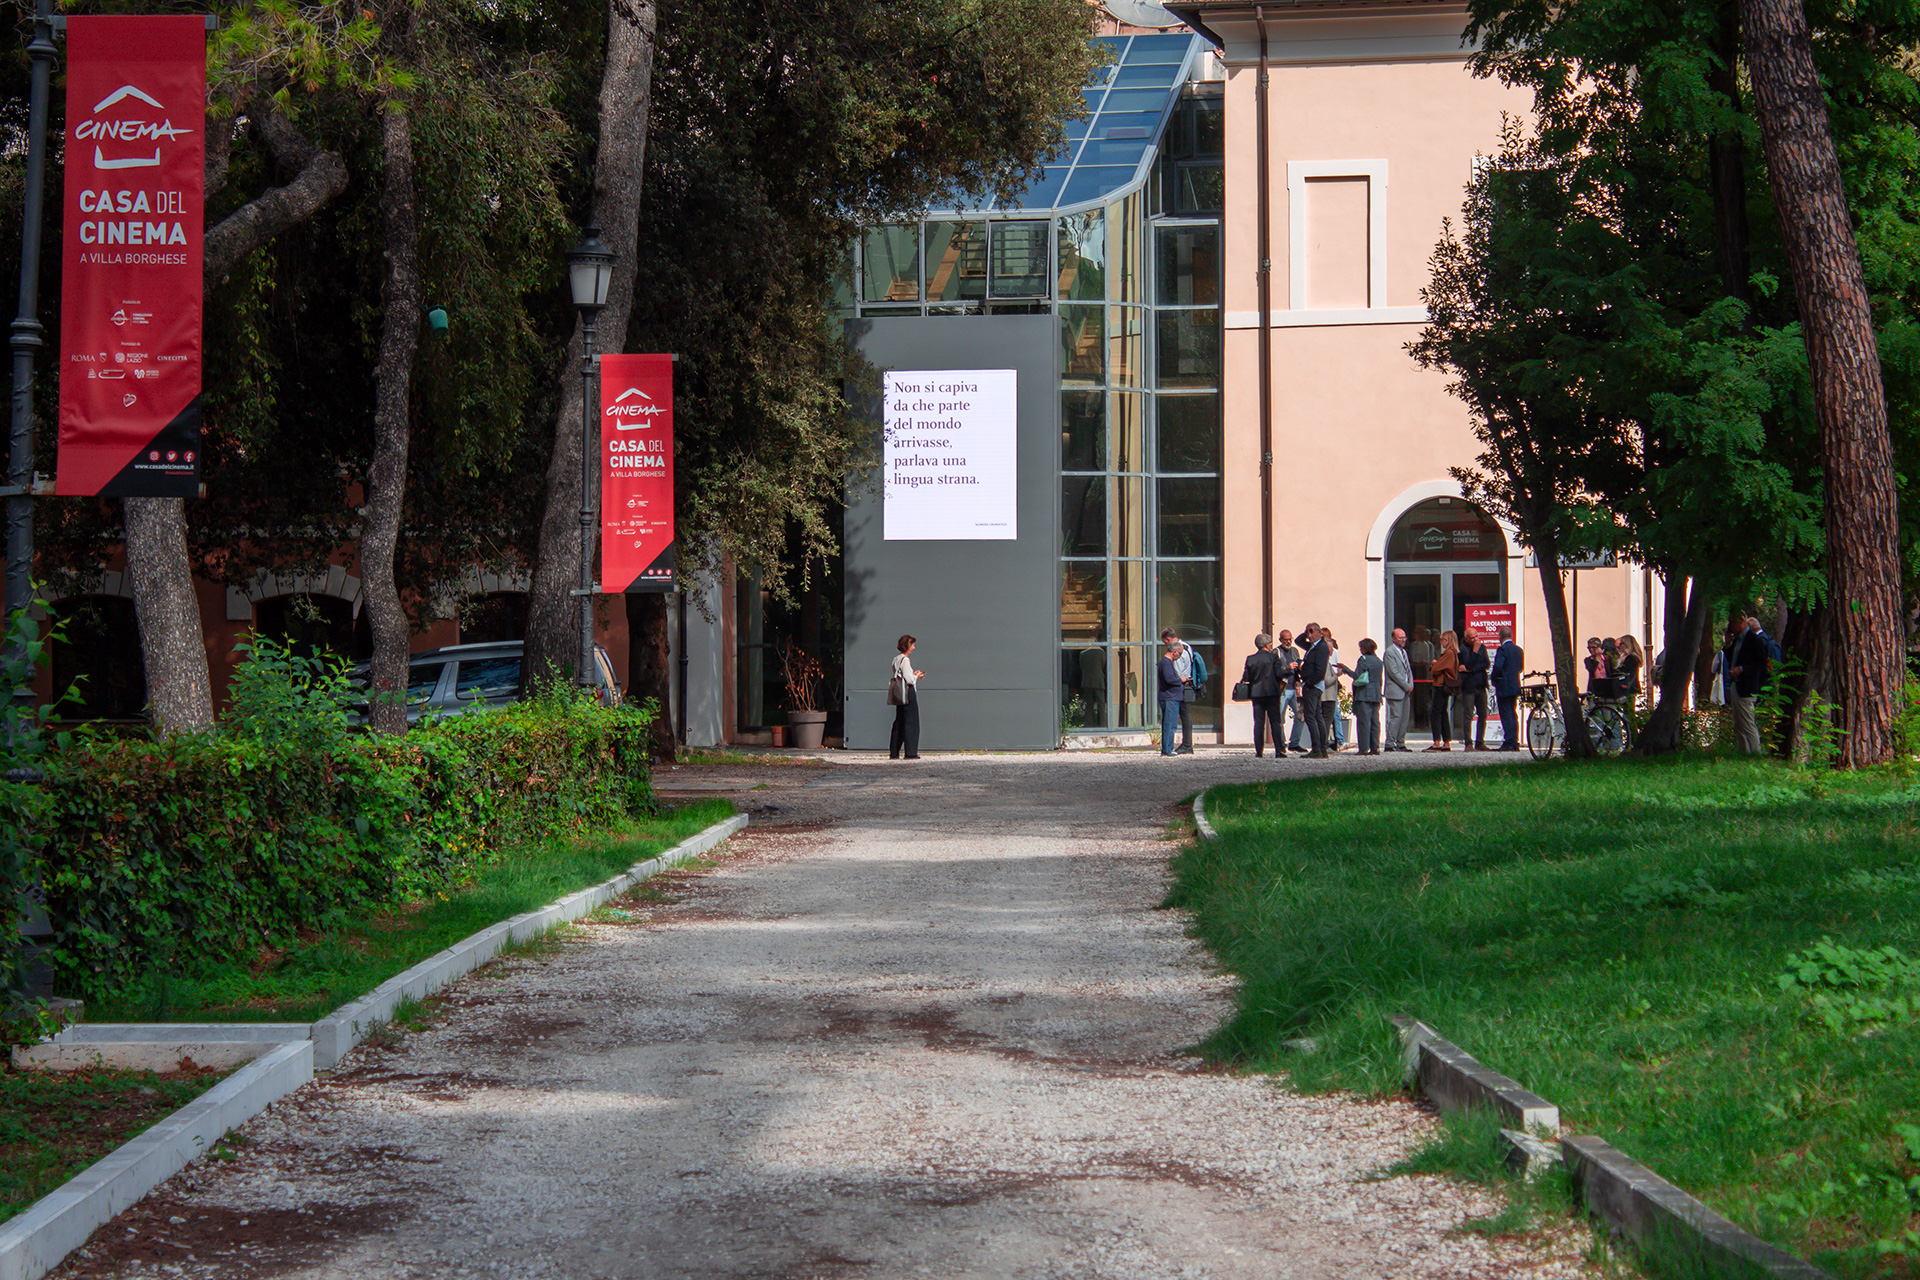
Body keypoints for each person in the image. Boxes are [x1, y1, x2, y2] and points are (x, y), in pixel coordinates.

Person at [1729, 615, 1770, 754]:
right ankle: (1744, 751)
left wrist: (1742, 669)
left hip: (1747, 687)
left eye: (1732, 622)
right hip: (1737, 684)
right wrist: (1727, 643)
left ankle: (1755, 751)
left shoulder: (1753, 640)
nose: (1730, 626)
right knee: (1738, 723)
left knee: (1747, 722)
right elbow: (1731, 657)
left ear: (1741, 622)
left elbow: (1760, 664)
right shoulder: (1736, 640)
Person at [1161, 627, 1205, 755]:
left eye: (1165, 642)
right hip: (1187, 685)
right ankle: (1187, 744)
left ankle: (1187, 744)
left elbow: (1178, 671)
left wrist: (1175, 678)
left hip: (1183, 686)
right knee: (1185, 715)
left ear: (1168, 640)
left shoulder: (1179, 649)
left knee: (1184, 715)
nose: (1165, 646)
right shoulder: (1187, 647)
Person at [1240, 633, 1284, 758]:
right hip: (1272, 693)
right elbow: (1279, 674)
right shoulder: (1273, 658)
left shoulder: (1251, 659)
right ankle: (1279, 750)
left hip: (1257, 693)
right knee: (1275, 722)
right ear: (1266, 645)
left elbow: (1246, 677)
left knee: (1259, 722)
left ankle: (1259, 751)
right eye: (1270, 644)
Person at [1294, 623, 1331, 758]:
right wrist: (1307, 632)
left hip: (1313, 686)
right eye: (1307, 632)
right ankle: (1321, 749)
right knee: (1317, 716)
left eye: (1311, 632)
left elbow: (1320, 671)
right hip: (1312, 685)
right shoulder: (1312, 646)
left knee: (1312, 717)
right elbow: (1298, 641)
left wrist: (1308, 684)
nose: (1309, 635)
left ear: (1319, 632)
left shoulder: (1321, 647)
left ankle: (1318, 748)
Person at [889, 635, 924, 760]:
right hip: (908, 693)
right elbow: (909, 679)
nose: (914, 648)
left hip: (899, 693)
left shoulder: (896, 659)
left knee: (899, 721)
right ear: (908, 646)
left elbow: (899, 675)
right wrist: (917, 676)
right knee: (911, 722)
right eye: (912, 645)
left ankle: (894, 752)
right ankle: (910, 752)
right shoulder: (905, 660)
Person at [1158, 634, 1193, 757]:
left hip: (1170, 697)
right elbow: (1169, 679)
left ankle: (1167, 748)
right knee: (1170, 724)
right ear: (1174, 652)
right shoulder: (1166, 663)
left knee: (1170, 724)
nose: (1180, 656)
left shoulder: (1166, 662)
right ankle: (1167, 749)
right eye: (1180, 653)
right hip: (1169, 697)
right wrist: (1181, 680)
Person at [1490, 625, 1524, 751]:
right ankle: (1515, 740)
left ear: (1500, 637)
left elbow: (1498, 666)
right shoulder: (1518, 650)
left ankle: (1509, 741)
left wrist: (1494, 678)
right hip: (1515, 685)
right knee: (1512, 712)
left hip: (1504, 686)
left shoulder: (1502, 650)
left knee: (1506, 714)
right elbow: (1520, 667)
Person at [1426, 630, 1460, 751]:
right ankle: (1446, 742)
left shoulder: (1449, 653)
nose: (1441, 642)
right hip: (1443, 686)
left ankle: (1436, 742)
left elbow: (1437, 669)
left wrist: (1435, 664)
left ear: (1448, 641)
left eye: (1443, 640)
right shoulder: (1452, 653)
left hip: (1441, 685)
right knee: (1443, 713)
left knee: (1435, 712)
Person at [1350, 638, 1385, 755]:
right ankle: (1375, 747)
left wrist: (1344, 669)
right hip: (1376, 694)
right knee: (1375, 722)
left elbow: (1356, 675)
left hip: (1364, 694)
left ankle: (1364, 748)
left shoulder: (1363, 660)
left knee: (1364, 722)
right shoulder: (1379, 661)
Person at [1459, 631, 1491, 750]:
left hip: (1481, 685)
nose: (1476, 640)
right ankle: (1468, 742)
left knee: (1482, 714)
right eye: (1472, 638)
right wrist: (1475, 652)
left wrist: (1471, 670)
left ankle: (1480, 741)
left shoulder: (1482, 648)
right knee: (1468, 714)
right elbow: (1468, 663)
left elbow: (1486, 664)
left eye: (1477, 636)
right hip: (1469, 687)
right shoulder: (1463, 649)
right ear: (1466, 639)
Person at [1270, 629, 1300, 757]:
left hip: (1294, 688)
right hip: (1282, 688)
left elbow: (1298, 669)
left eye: (1290, 639)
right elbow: (1275, 671)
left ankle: (1295, 742)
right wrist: (1288, 667)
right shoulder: (1276, 652)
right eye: (1285, 640)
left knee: (1301, 715)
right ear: (1280, 640)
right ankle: (1281, 743)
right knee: (1280, 718)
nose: (1288, 642)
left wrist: (1299, 680)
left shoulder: (1294, 651)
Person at [1384, 627, 1414, 751]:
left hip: (1406, 690)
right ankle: (1390, 743)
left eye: (1404, 637)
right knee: (1396, 717)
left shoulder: (1404, 652)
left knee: (1404, 718)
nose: (1403, 640)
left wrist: (1410, 683)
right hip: (1396, 690)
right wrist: (1406, 685)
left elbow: (1408, 670)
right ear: (1393, 638)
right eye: (1400, 638)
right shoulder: (1390, 652)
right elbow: (1393, 672)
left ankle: (1401, 742)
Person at [1322, 633, 1346, 750]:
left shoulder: (1327, 662)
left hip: (1330, 695)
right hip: (1327, 696)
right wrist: (1337, 676)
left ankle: (1333, 742)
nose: (1333, 651)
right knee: (1328, 720)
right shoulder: (1325, 664)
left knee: (1333, 717)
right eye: (1331, 648)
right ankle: (1326, 744)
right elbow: (1327, 681)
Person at [1615, 635, 1645, 707]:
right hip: (1628, 687)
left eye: (1621, 643)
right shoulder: (1628, 657)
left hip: (1628, 687)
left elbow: (1621, 671)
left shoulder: (1631, 658)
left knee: (1628, 710)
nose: (1619, 646)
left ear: (1627, 645)